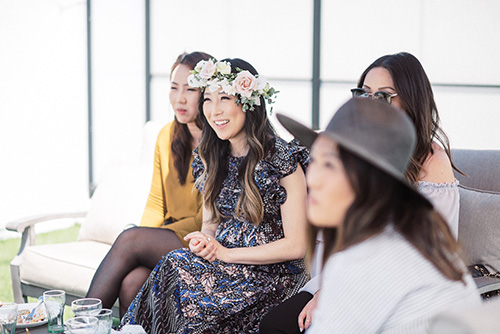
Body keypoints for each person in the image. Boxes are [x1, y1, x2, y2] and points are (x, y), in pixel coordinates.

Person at [260, 51, 465, 334]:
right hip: (346, 277)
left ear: (411, 99)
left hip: (394, 286)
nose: (370, 104)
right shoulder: (355, 155)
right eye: (364, 94)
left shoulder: (431, 162)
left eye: (383, 96)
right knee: (275, 324)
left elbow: (428, 252)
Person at [120, 57, 309, 333]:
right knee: (157, 270)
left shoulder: (280, 158)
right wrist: (205, 243)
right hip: (222, 265)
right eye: (208, 99)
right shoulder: (211, 155)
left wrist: (228, 254)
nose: (214, 110)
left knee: (174, 266)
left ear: (248, 103)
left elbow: (296, 246)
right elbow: (210, 225)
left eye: (224, 98)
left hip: (270, 277)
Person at [86, 51, 212, 317]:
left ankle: (83, 323)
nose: (179, 98)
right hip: (168, 238)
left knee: (130, 239)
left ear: (207, 93)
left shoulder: (219, 143)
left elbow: (206, 221)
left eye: (190, 89)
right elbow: (157, 202)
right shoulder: (166, 135)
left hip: (202, 241)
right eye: (174, 87)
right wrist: (147, 239)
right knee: (132, 282)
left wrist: (142, 240)